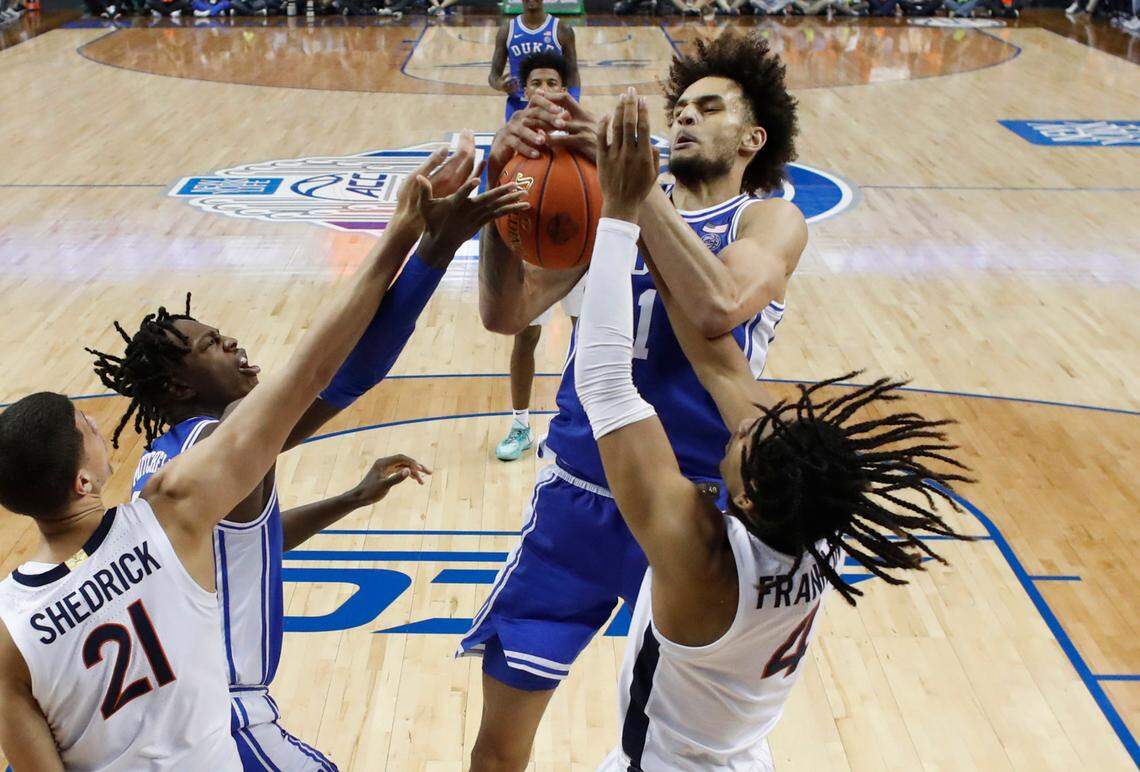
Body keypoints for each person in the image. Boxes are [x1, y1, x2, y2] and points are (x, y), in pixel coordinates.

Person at [0, 150, 525, 770]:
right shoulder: (198, 466)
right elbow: (340, 372)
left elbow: (241, 552)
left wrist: (348, 501)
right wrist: (427, 249)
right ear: (176, 388)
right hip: (222, 724)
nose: (233, 344)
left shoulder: (156, 485)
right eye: (210, 346)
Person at [578, 89, 973, 771]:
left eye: (737, 444)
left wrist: (617, 214)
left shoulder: (703, 563)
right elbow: (723, 369)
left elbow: (606, 386)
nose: (735, 433)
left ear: (750, 498)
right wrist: (654, 212)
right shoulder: (815, 523)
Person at [464, 30, 807, 770]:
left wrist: (632, 193)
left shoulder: (766, 220)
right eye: (678, 107)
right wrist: (502, 194)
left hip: (690, 513)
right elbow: (506, 313)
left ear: (752, 137)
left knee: (677, 740)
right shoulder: (608, 209)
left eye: (707, 108)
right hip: (577, 500)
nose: (682, 117)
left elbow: (720, 304)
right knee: (497, 743)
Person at [493, 52, 587, 463]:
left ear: (565, 90)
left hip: (582, 260)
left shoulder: (586, 138)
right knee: (524, 339)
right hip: (532, 258)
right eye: (536, 84)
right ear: (523, 91)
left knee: (587, 341)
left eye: (553, 83)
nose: (545, 90)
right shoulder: (513, 146)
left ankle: (576, 424)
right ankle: (520, 424)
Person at [488, 0, 579, 124]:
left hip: (552, 104)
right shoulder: (507, 30)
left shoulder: (562, 29)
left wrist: (574, 105)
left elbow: (572, 73)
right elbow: (493, 76)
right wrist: (501, 85)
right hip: (518, 106)